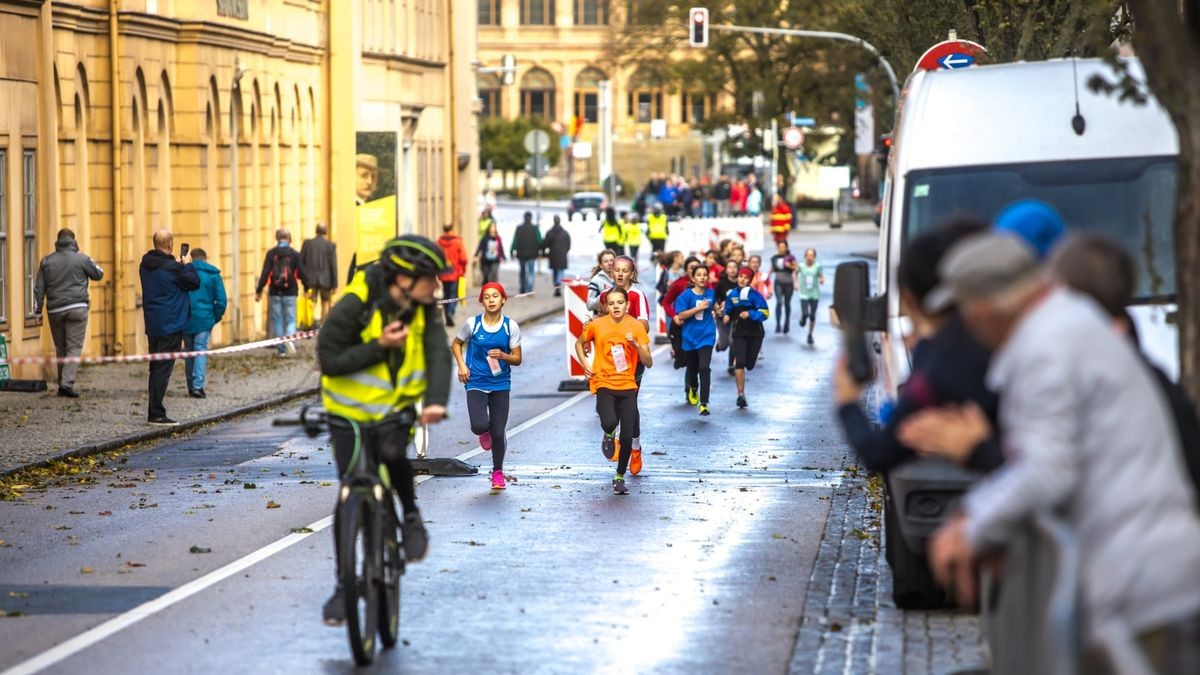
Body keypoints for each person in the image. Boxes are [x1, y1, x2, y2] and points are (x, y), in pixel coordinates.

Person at [923, 233, 1200, 670]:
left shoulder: (1044, 348)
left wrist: (971, 530)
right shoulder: (1069, 325)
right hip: (1149, 576)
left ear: (981, 309)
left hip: (1139, 584)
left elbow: (1048, 471)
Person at [318, 235, 452, 625]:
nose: (438, 286)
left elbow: (437, 352)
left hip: (394, 409)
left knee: (394, 454)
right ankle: (345, 589)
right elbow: (329, 358)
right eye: (432, 278)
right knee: (349, 492)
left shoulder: (423, 307)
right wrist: (378, 346)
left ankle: (410, 515)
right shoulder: (357, 303)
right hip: (347, 412)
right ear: (404, 278)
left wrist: (435, 400)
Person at [834, 218, 1001, 475]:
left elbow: (881, 452)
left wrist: (846, 401)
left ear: (909, 297)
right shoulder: (1010, 333)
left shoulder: (946, 362)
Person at [575, 287, 653, 494]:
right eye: (612, 303)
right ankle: (609, 433)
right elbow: (579, 342)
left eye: (620, 302)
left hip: (627, 385)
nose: (616, 306)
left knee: (627, 435)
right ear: (606, 306)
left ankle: (619, 476)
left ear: (627, 305)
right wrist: (585, 364)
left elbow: (649, 361)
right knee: (609, 421)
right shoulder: (598, 325)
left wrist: (636, 345)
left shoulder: (636, 326)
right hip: (604, 383)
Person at [451, 282, 523, 491]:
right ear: (481, 301)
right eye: (487, 296)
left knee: (499, 432)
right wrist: (462, 365)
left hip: (500, 383)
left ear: (503, 300)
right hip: (476, 382)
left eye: (495, 296)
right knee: (479, 425)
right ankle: (485, 430)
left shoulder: (511, 326)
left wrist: (504, 356)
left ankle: (497, 472)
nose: (491, 300)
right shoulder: (472, 324)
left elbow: (517, 359)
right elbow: (456, 343)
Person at [32, 228, 104, 398]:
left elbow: (38, 289)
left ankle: (62, 383)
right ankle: (66, 383)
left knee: (61, 347)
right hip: (77, 308)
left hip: (55, 310)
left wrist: (37, 312)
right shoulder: (82, 258)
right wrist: (86, 260)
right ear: (74, 240)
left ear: (58, 241)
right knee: (74, 347)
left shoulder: (47, 261)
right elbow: (99, 274)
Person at [139, 229, 200, 426]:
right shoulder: (173, 268)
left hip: (153, 323)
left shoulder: (145, 265)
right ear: (170, 245)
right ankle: (156, 412)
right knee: (162, 370)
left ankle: (154, 409)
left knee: (155, 368)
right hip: (171, 323)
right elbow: (194, 282)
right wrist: (188, 265)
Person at [255, 228, 309, 357]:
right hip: (290, 291)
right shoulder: (294, 254)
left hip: (275, 291)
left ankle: (281, 350)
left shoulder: (271, 254)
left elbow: (265, 273)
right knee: (290, 319)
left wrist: (259, 290)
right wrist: (307, 287)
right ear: (289, 239)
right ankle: (289, 341)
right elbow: (302, 272)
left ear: (277, 238)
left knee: (278, 320)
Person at [183, 248, 227, 400]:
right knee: (200, 350)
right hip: (205, 319)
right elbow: (221, 301)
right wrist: (214, 317)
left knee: (189, 352)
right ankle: (198, 386)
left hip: (186, 319)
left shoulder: (184, 273)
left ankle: (190, 386)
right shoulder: (213, 275)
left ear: (192, 258)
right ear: (205, 258)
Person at [723, 268, 770, 408]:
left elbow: (765, 313)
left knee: (749, 365)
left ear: (750, 280)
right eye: (740, 276)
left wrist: (750, 314)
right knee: (740, 362)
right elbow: (729, 308)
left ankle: (749, 364)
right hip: (739, 332)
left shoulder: (756, 295)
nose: (742, 279)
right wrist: (726, 315)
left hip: (756, 333)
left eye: (745, 277)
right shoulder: (732, 294)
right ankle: (740, 394)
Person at [674, 265, 717, 416]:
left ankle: (704, 403)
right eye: (699, 275)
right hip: (690, 337)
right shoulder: (685, 296)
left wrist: (719, 310)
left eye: (705, 275)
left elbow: (716, 308)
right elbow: (680, 316)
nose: (702, 277)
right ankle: (693, 387)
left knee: (704, 367)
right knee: (692, 368)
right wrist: (698, 308)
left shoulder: (712, 294)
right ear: (693, 278)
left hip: (707, 335)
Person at [299, 222, 339, 322]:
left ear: (316, 231)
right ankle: (323, 323)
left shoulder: (307, 244)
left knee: (311, 301)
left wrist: (303, 279)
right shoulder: (330, 245)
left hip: (310, 279)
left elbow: (301, 261)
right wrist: (334, 284)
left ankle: (310, 323)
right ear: (326, 232)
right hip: (326, 280)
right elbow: (333, 266)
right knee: (325, 302)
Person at [437, 223, 469, 327]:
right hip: (455, 273)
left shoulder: (438, 242)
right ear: (452, 229)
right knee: (453, 294)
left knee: (446, 293)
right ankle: (450, 312)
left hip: (443, 273)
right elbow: (464, 259)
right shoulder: (457, 242)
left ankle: (447, 314)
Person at [713, 260, 739, 372]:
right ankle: (720, 345)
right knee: (725, 344)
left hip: (736, 316)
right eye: (730, 267)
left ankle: (731, 365)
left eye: (734, 267)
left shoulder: (741, 283)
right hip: (723, 317)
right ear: (726, 270)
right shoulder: (721, 283)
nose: (732, 270)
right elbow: (714, 298)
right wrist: (718, 307)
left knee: (733, 340)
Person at [511, 211, 543, 295]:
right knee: (531, 271)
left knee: (522, 271)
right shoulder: (535, 228)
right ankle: (529, 288)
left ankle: (522, 288)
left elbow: (515, 240)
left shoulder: (519, 228)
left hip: (521, 254)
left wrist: (512, 251)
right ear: (531, 218)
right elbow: (540, 240)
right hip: (532, 254)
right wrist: (541, 250)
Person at [797, 248, 824, 346]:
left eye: (811, 255)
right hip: (804, 294)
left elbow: (821, 275)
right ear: (805, 256)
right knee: (805, 314)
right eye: (808, 255)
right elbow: (794, 272)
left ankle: (810, 334)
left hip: (814, 294)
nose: (809, 257)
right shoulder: (801, 266)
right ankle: (803, 319)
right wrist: (795, 283)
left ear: (814, 257)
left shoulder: (817, 266)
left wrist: (821, 279)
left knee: (812, 315)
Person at [770, 241, 798, 334]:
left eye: (783, 247)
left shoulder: (791, 257)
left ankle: (787, 322)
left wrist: (789, 266)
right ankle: (778, 324)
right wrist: (767, 279)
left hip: (788, 282)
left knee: (787, 303)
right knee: (778, 302)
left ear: (786, 248)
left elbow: (796, 269)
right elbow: (772, 269)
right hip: (778, 282)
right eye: (780, 247)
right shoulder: (774, 258)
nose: (781, 249)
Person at [542, 215, 572, 296]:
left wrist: (545, 253)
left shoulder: (550, 232)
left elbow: (545, 243)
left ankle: (556, 286)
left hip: (553, 256)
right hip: (562, 255)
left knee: (555, 272)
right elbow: (569, 245)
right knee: (560, 271)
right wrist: (565, 251)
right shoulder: (565, 233)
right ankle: (558, 286)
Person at [586, 249, 617, 315]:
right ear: (601, 265)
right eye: (606, 261)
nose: (610, 263)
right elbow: (589, 305)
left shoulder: (621, 277)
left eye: (612, 260)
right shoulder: (596, 280)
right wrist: (603, 294)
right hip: (603, 320)